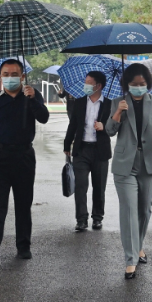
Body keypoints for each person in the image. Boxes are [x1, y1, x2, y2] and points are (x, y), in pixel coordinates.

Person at [0, 59, 50, 266]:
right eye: (6, 74)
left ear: (22, 76)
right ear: (1, 76)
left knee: (23, 204)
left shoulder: (32, 95)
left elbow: (44, 118)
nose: (10, 78)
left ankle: (23, 245)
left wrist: (33, 99)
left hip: (24, 157)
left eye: (14, 74)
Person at [106, 63, 152, 279]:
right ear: (127, 84)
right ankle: (130, 259)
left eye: (142, 84)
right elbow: (109, 130)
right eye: (134, 84)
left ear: (149, 84)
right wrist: (117, 113)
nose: (138, 87)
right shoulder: (118, 102)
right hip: (125, 163)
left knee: (144, 210)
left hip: (149, 161)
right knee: (129, 210)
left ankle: (138, 245)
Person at [64, 71, 112, 232]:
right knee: (81, 185)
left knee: (99, 187)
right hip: (82, 149)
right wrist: (66, 145)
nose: (86, 85)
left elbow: (114, 127)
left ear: (98, 86)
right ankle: (81, 219)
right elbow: (73, 125)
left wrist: (104, 127)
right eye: (86, 81)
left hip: (100, 151)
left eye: (89, 82)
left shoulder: (109, 104)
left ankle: (97, 218)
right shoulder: (79, 102)